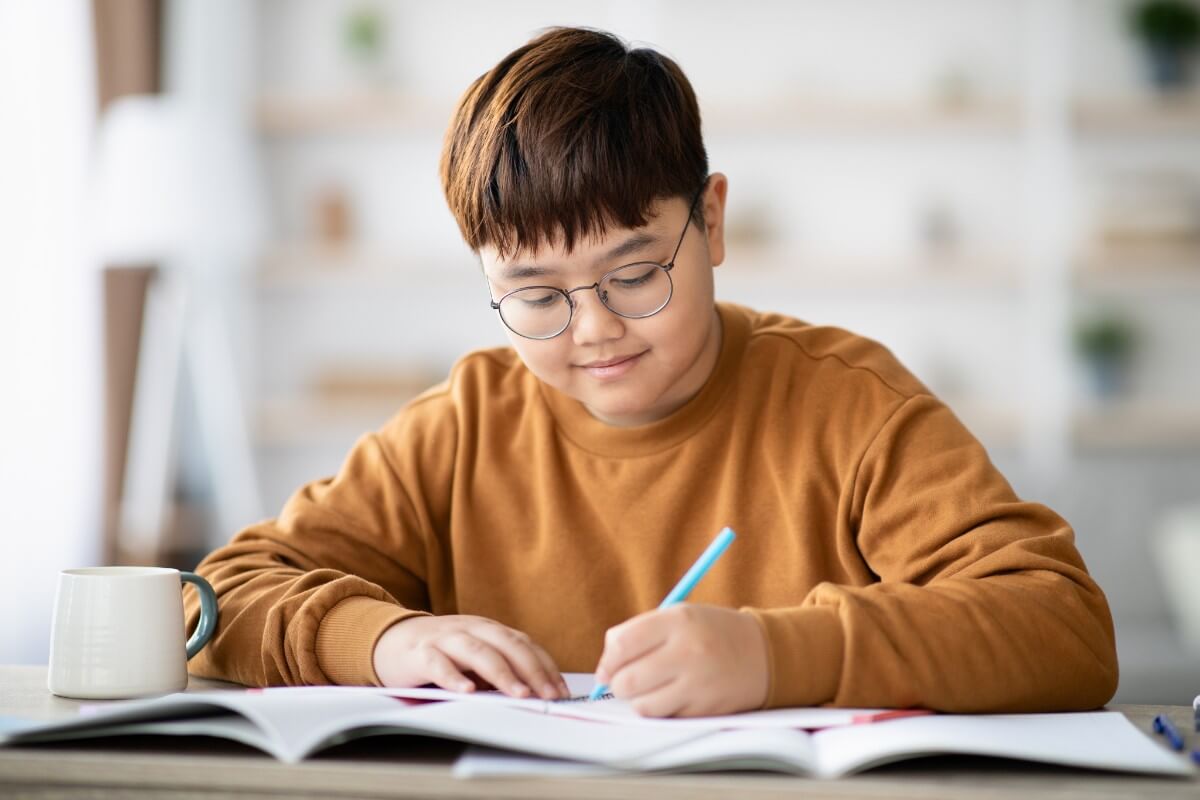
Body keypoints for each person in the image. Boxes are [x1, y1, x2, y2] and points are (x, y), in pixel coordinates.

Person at [185, 26, 1118, 717]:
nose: (594, 329)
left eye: (635, 274)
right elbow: (213, 604)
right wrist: (384, 640)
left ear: (711, 222)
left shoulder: (850, 405)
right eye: (536, 294)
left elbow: (1065, 628)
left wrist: (776, 653)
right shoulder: (465, 425)